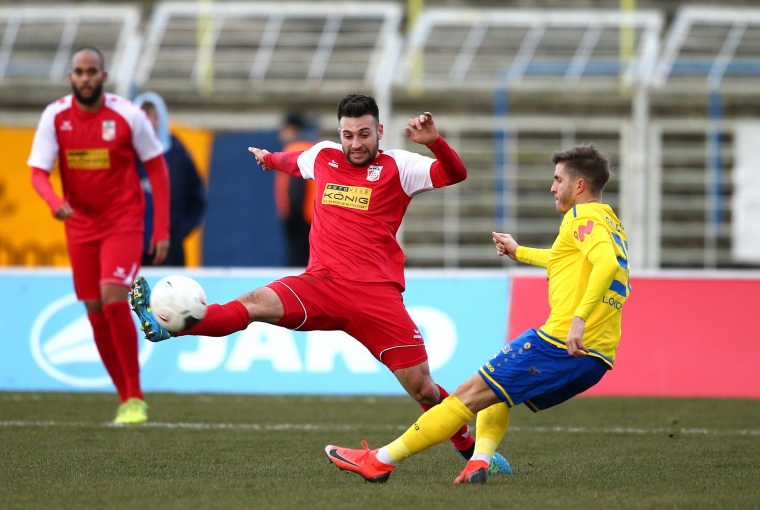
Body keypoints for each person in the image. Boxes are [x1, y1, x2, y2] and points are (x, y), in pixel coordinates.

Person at [130, 93, 510, 473]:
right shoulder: (323, 155)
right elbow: (292, 162)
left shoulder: (401, 165)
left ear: (379, 131)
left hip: (375, 296)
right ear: (339, 133)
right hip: (319, 285)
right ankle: (173, 327)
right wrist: (269, 160)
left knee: (423, 388)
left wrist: (435, 144)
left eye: (364, 134)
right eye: (348, 135)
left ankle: (469, 448)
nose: (355, 144)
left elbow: (455, 174)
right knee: (254, 303)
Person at [323, 143, 631, 484]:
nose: (552, 187)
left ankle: (379, 461)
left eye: (558, 180)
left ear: (580, 186)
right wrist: (519, 252)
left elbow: (604, 265)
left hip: (561, 342)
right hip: (596, 357)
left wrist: (578, 319)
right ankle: (481, 462)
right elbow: (567, 260)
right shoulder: (610, 222)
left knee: (463, 398)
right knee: (498, 391)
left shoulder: (581, 216)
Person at [28, 46, 170, 424]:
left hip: (123, 221)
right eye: (79, 72)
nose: (86, 78)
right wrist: (53, 200)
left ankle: (137, 397)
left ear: (103, 76)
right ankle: (125, 399)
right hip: (80, 226)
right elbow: (37, 172)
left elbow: (157, 168)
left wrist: (161, 230)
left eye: (93, 71)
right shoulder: (55, 116)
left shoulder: (127, 115)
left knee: (112, 300)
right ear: (71, 77)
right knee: (93, 313)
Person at [133, 91, 207, 267]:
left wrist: (178, 231)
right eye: (143, 116)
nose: (149, 122)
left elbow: (196, 198)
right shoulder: (125, 154)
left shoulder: (177, 154)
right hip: (131, 248)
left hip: (169, 251)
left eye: (153, 116)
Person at [274, 112, 316, 267]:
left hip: (301, 218)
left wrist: (292, 217)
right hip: (314, 217)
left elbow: (297, 186)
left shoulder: (295, 149)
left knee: (297, 263)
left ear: (292, 129)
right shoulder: (311, 148)